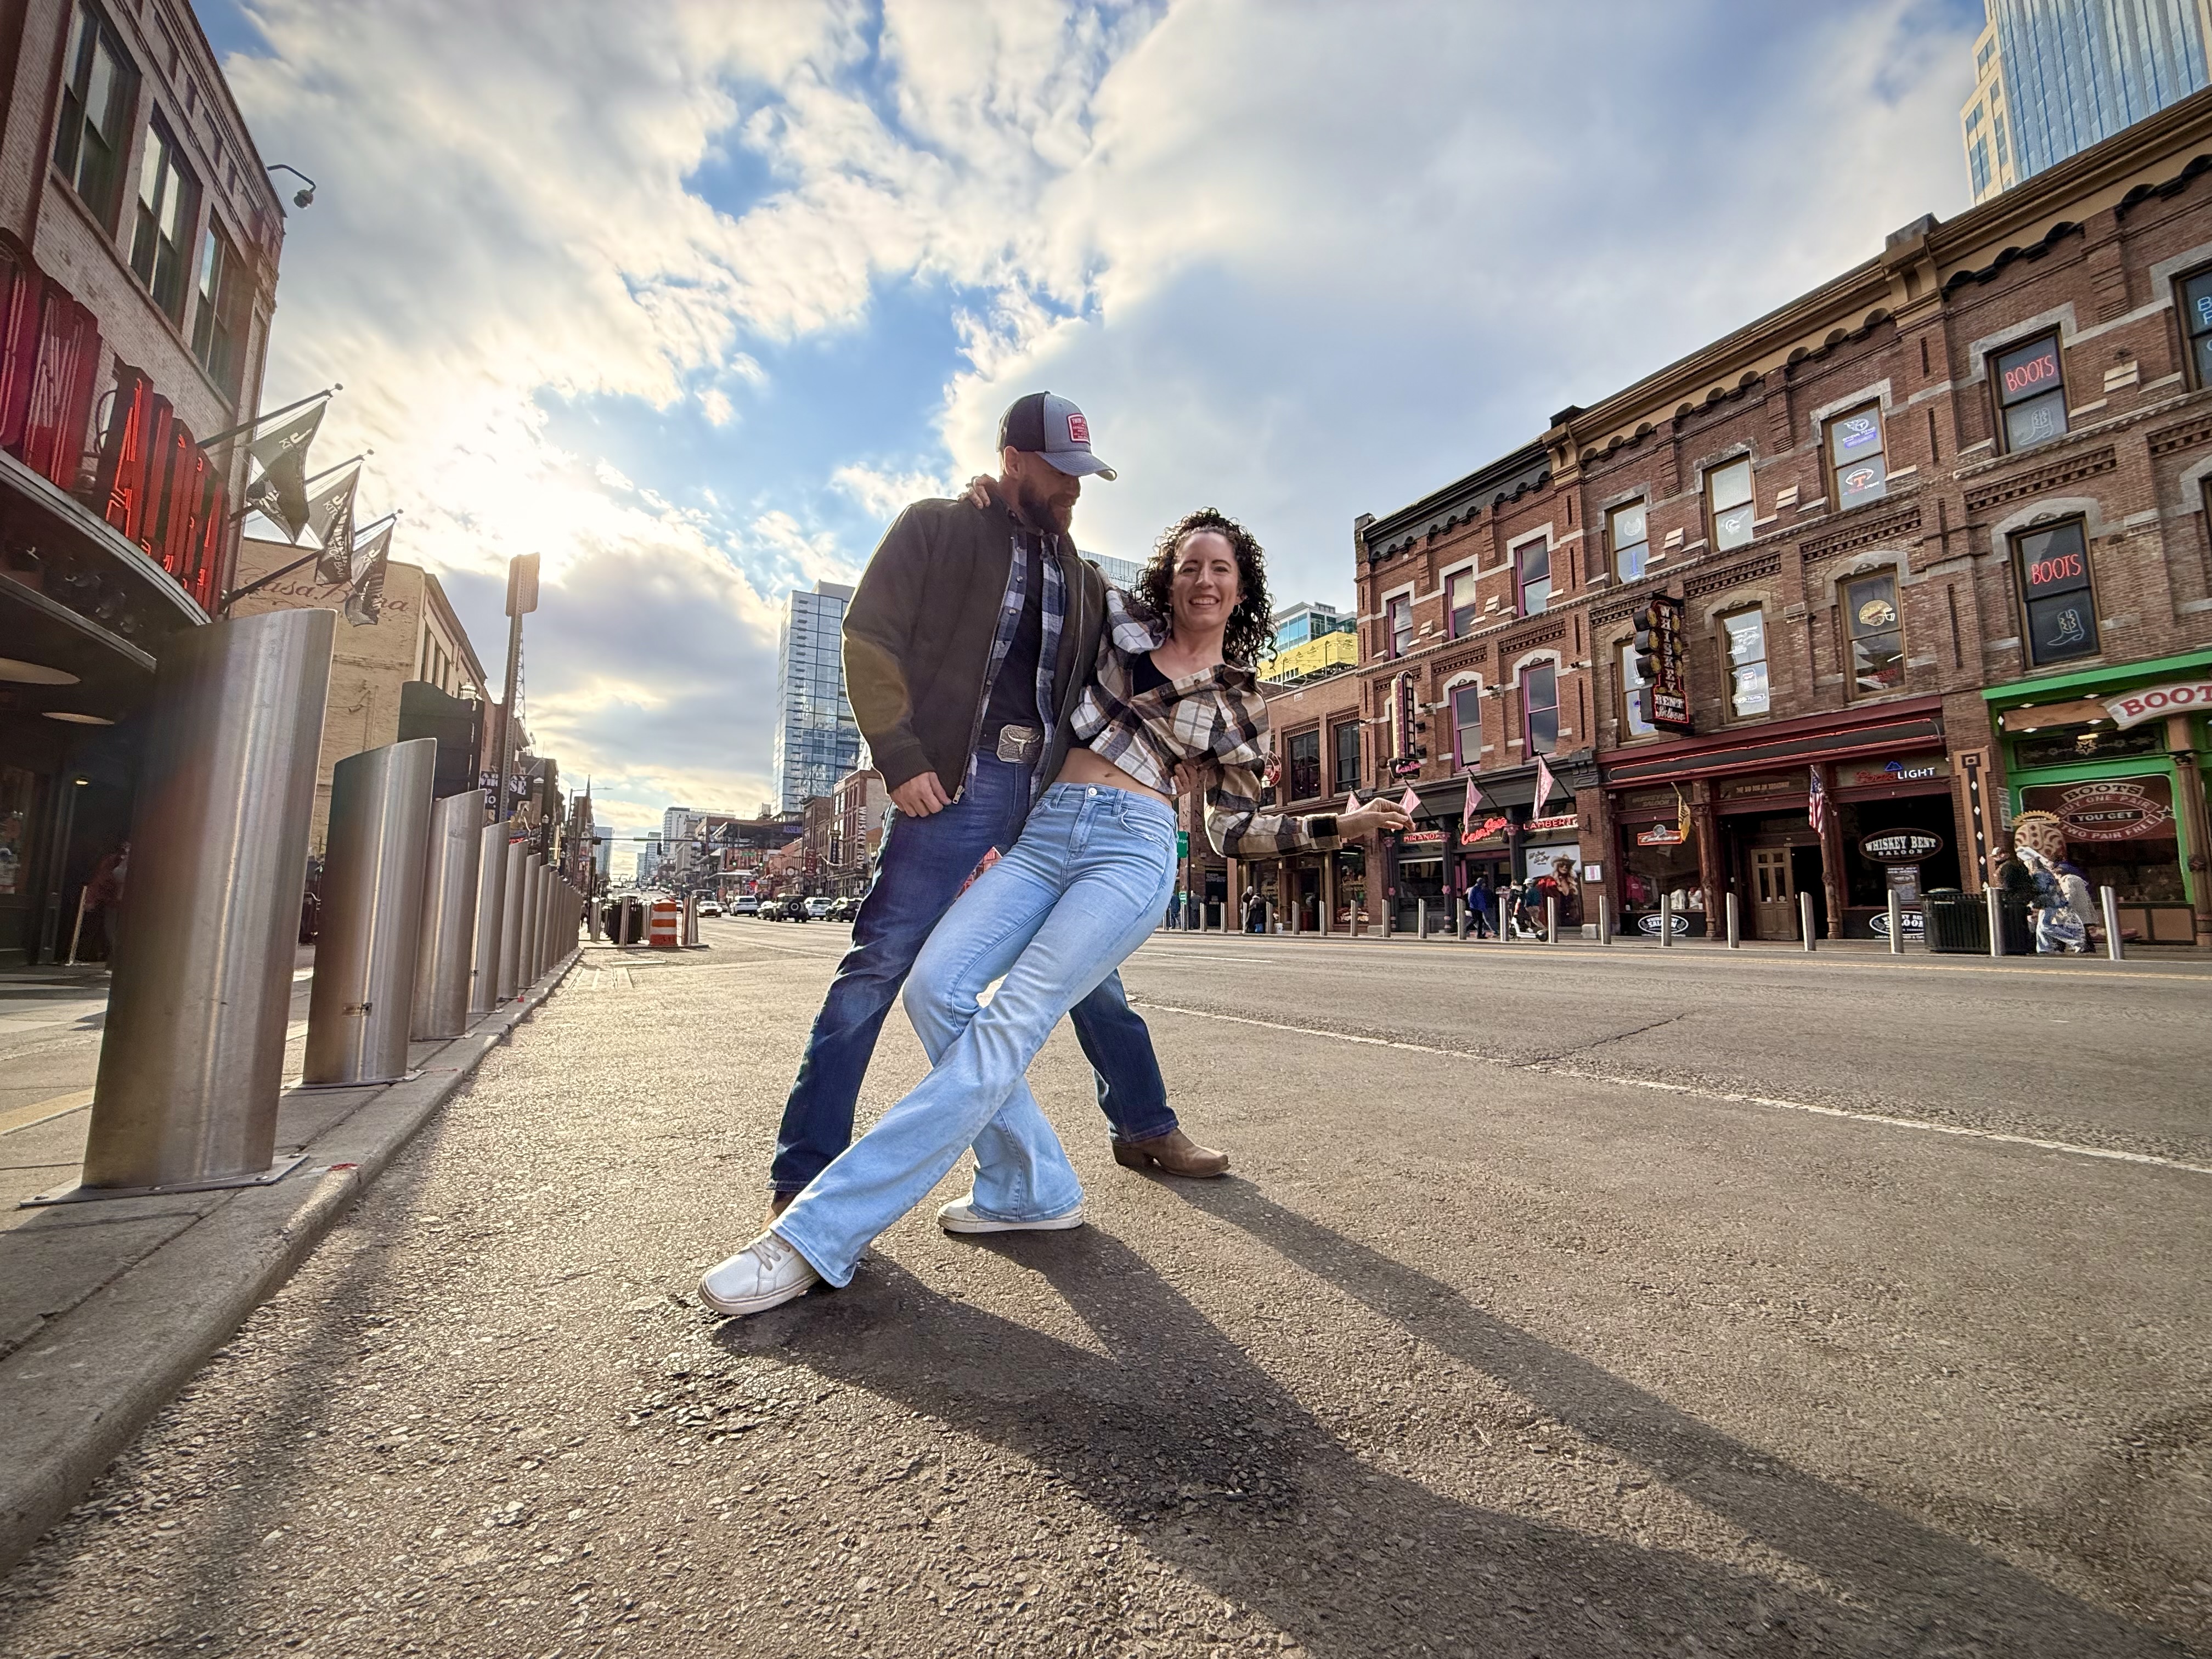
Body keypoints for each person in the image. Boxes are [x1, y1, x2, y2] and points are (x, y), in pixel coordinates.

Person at [701, 509, 1411, 1317]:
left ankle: (815, 1233)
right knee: (936, 985)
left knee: (1016, 1016)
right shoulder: (1116, 622)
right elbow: (1041, 568)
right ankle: (1029, 1185)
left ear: (1241, 586)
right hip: (1043, 838)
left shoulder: (1239, 703)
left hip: (1131, 848)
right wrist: (999, 498)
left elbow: (1232, 829)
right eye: (1189, 565)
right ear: (1167, 577)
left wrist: (1341, 825)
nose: (1203, 579)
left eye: (1220, 568)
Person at [763, 393, 1228, 1221]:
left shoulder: (1084, 580)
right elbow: (869, 635)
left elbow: (1159, 662)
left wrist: (1178, 756)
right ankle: (806, 1172)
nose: (1075, 489)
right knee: (879, 967)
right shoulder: (937, 528)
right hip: (954, 788)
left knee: (1093, 976)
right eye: (1061, 471)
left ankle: (1144, 1124)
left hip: (1047, 800)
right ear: (1013, 460)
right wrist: (901, 758)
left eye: (1084, 474)